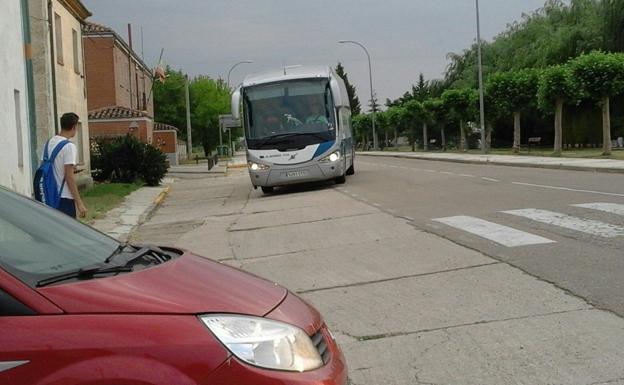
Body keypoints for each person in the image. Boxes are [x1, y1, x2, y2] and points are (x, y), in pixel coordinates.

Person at [45, 113, 87, 218]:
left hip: (49, 194)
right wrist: (79, 202)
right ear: (74, 127)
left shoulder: (49, 143)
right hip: (63, 196)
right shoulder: (69, 146)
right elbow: (69, 177)